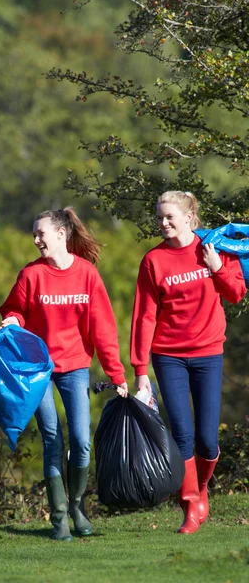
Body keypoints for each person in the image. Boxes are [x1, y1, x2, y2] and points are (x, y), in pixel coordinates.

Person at [0, 207, 128, 541]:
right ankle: (58, 519)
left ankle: (77, 508)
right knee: (52, 439)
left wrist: (116, 373)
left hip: (75, 366)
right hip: (38, 369)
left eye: (41, 233)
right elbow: (14, 308)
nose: (36, 239)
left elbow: (103, 329)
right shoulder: (31, 275)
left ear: (61, 233)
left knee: (82, 441)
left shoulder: (87, 275)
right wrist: (14, 319)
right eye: (34, 235)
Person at [131, 191, 246, 534]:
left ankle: (203, 487)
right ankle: (190, 506)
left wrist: (217, 269)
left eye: (169, 217)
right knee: (181, 434)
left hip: (209, 353)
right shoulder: (153, 260)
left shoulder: (213, 248)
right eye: (160, 217)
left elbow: (237, 293)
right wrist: (140, 371)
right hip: (168, 356)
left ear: (189, 216)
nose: (163, 223)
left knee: (207, 440)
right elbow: (144, 317)